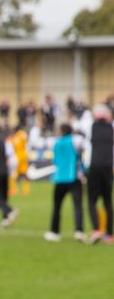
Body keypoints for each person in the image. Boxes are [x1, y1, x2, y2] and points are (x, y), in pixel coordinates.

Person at [46, 123, 87, 242]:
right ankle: (79, 231)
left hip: (59, 177)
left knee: (57, 206)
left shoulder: (56, 142)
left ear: (61, 131)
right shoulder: (76, 140)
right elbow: (85, 148)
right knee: (78, 206)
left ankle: (54, 232)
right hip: (73, 177)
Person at [86, 104, 113, 244]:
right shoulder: (111, 128)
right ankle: (109, 234)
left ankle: (96, 230)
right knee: (108, 201)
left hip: (95, 166)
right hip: (108, 167)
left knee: (91, 200)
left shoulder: (92, 126)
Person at [9, 120, 31, 196]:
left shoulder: (15, 137)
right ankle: (26, 190)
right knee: (24, 174)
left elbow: (12, 145)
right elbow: (27, 143)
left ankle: (13, 189)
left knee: (13, 173)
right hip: (24, 156)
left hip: (17, 157)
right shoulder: (23, 134)